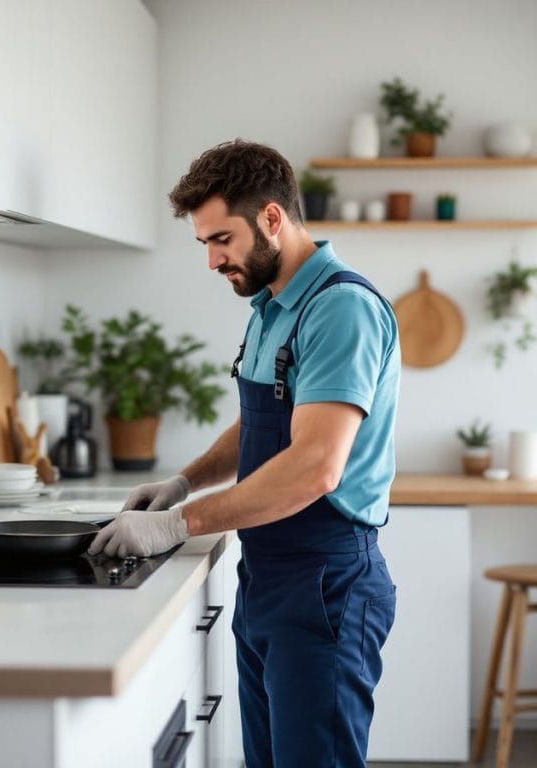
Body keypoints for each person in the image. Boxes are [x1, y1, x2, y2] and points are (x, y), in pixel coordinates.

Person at [87, 139, 400, 768]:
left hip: (326, 583)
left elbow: (315, 466)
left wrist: (177, 525)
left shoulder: (340, 309)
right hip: (267, 575)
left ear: (272, 219)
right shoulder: (269, 305)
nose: (212, 259)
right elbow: (262, 422)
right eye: (204, 242)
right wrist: (182, 482)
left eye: (221, 239)